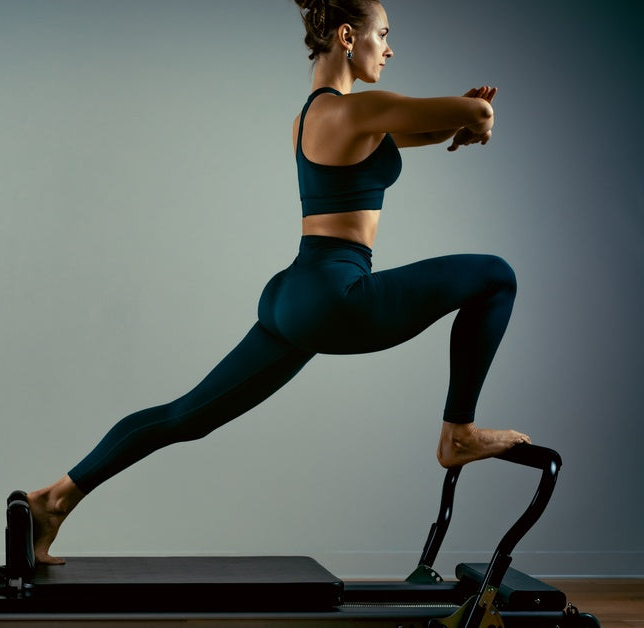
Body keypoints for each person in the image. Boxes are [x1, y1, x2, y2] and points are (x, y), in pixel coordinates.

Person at [26, 0, 532, 566]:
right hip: (338, 296)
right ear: (347, 36)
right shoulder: (363, 108)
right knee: (496, 276)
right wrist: (474, 118)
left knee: (185, 416)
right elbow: (476, 116)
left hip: (294, 293)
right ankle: (458, 433)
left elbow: (428, 129)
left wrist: (456, 125)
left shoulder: (314, 117)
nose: (389, 50)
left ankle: (53, 498)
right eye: (383, 36)